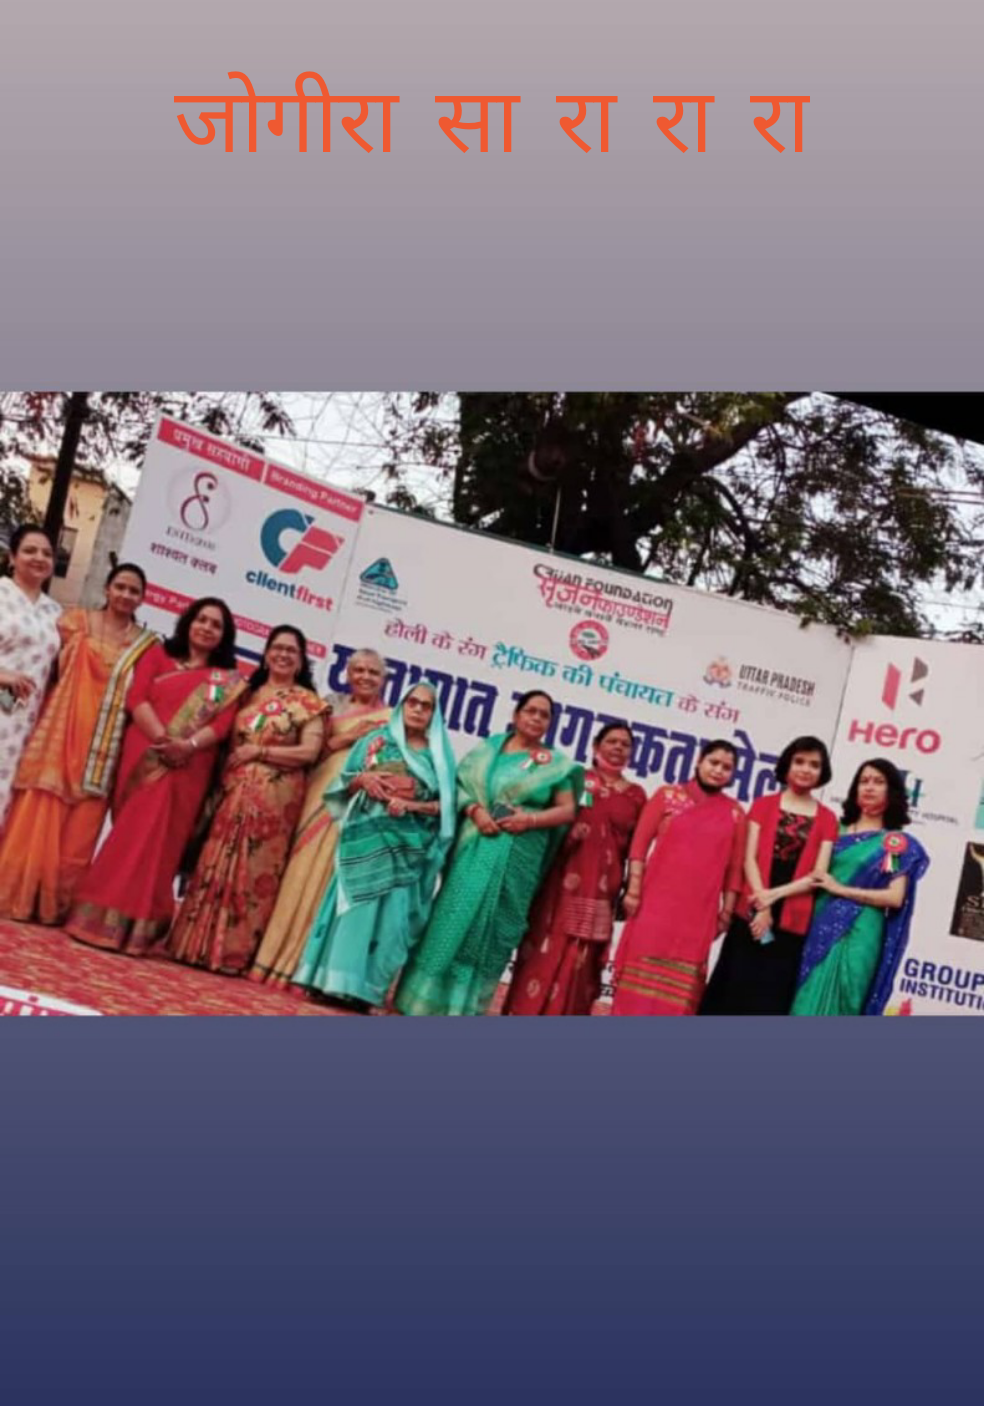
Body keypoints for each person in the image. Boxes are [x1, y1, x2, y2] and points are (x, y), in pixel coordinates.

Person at [65, 597, 246, 955]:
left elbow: (222, 726)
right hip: (147, 754)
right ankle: (96, 917)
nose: (207, 628)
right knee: (129, 836)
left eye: (216, 625)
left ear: (224, 635)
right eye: (202, 620)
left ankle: (138, 929)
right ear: (188, 622)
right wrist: (166, 741)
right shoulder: (158, 655)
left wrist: (187, 745)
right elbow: (137, 699)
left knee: (161, 844)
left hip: (188, 767)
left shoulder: (227, 681)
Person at [395, 690, 582, 1017]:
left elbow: (567, 810)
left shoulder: (556, 765)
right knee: (452, 917)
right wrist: (475, 811)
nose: (537, 718)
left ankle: (467, 1008)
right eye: (531, 711)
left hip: (518, 856)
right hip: (475, 843)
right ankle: (421, 1002)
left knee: (494, 929)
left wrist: (529, 820)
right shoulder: (487, 749)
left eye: (544, 715)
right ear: (516, 715)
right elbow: (459, 786)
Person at [0, 562, 156, 924]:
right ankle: (16, 895)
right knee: (42, 812)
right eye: (120, 587)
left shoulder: (146, 646)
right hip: (61, 731)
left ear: (142, 599)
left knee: (81, 830)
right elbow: (40, 666)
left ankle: (55, 906)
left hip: (104, 746)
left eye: (133, 590)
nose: (125, 595)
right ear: (107, 589)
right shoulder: (73, 623)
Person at [166, 627, 327, 975]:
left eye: (292, 651)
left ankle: (232, 955)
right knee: (214, 859)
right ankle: (191, 945)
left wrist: (261, 752)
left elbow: (310, 752)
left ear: (301, 661)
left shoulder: (308, 702)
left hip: (275, 798)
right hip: (233, 790)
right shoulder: (244, 694)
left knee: (254, 871)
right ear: (266, 655)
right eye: (277, 648)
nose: (283, 655)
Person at [293, 681, 457, 1010]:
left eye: (426, 706)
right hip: (364, 842)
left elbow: (447, 808)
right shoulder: (375, 741)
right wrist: (362, 779)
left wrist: (412, 805)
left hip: (407, 850)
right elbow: (342, 784)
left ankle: (363, 992)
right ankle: (329, 982)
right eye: (412, 702)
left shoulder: (439, 756)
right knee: (353, 910)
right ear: (402, 706)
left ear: (435, 714)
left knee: (390, 923)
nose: (418, 709)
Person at [248, 648, 391, 987]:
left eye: (373, 672)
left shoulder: (391, 719)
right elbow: (310, 751)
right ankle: (269, 956)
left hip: (352, 804)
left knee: (323, 878)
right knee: (296, 871)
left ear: (384, 679)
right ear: (347, 673)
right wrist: (346, 738)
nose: (365, 677)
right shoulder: (328, 705)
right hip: (316, 793)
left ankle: (302, 965)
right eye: (359, 670)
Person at [504, 721, 646, 1016]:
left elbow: (636, 847)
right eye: (612, 741)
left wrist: (631, 888)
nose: (618, 747)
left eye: (625, 744)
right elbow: (548, 816)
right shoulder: (576, 778)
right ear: (595, 746)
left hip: (603, 890)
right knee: (544, 949)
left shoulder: (636, 795)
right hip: (561, 880)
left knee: (584, 961)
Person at [700, 736, 839, 1015]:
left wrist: (771, 897)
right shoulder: (763, 804)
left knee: (769, 998)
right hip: (750, 911)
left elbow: (818, 875)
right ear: (787, 764)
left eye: (814, 764)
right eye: (799, 761)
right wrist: (762, 906)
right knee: (731, 990)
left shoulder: (828, 818)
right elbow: (748, 858)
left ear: (822, 772)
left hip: (792, 919)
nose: (806, 769)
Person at [611, 739, 747, 1016]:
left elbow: (735, 870)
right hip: (654, 906)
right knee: (635, 987)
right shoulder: (666, 795)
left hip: (698, 915)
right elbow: (639, 847)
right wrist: (633, 890)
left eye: (726, 767)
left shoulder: (735, 813)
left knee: (678, 998)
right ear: (699, 761)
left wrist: (726, 913)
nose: (718, 770)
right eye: (713, 762)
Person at [792, 758, 929, 1016]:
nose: (869, 787)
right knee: (805, 996)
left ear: (891, 791)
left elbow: (894, 897)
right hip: (819, 922)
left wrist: (840, 889)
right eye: (864, 781)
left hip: (861, 933)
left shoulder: (893, 843)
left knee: (847, 999)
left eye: (878, 782)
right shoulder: (833, 829)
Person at [0, 525, 61, 828]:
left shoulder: (56, 612)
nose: (39, 557)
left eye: (47, 553)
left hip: (24, 725)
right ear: (12, 558)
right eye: (29, 550)